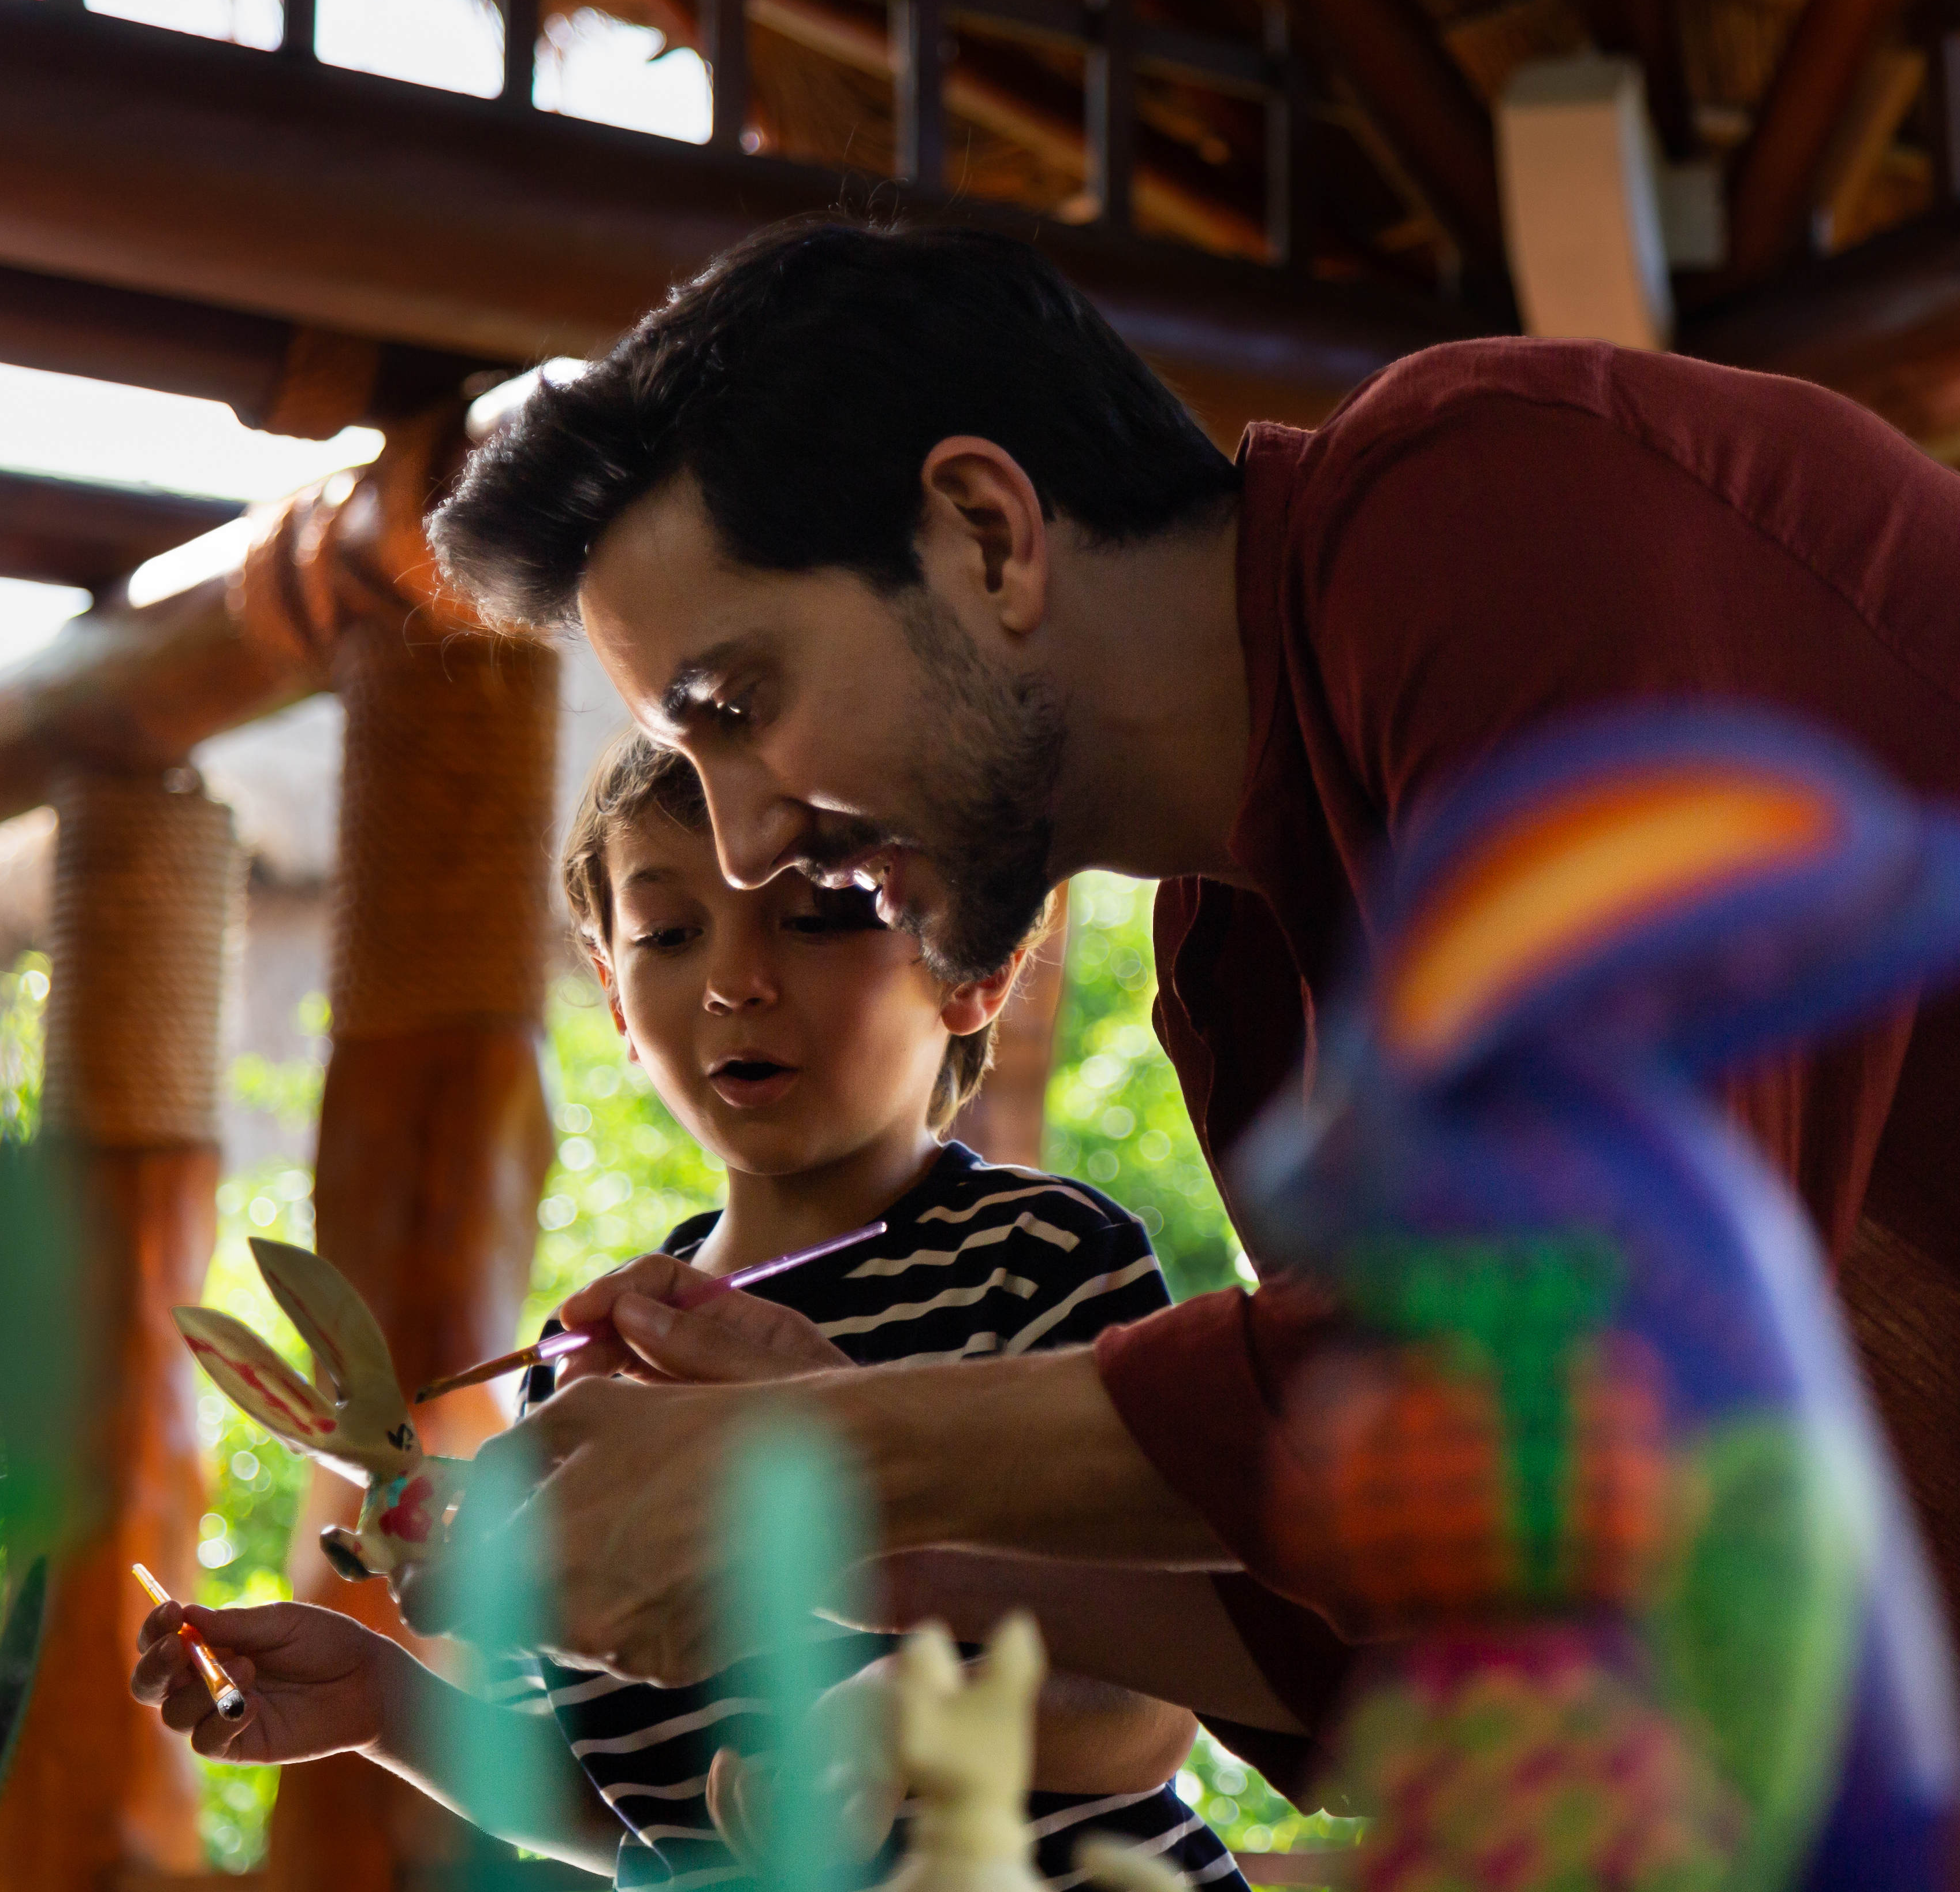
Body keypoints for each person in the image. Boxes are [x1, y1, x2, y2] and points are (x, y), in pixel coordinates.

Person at [413, 219, 1960, 1889]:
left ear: (985, 530)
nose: (754, 835)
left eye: (738, 704)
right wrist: (866, 1527)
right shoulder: (1255, 980)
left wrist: (836, 1453)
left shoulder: (1504, 515)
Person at [132, 726, 1235, 1890]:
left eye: (814, 919)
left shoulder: (1038, 1258)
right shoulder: (584, 1370)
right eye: (668, 932)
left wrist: (903, 1720)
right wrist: (378, 1701)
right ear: (611, 986)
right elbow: (642, 1815)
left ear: (975, 969)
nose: (733, 981)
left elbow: (1146, 1707)